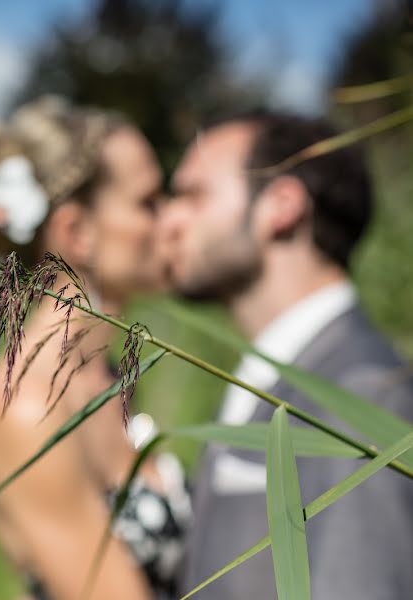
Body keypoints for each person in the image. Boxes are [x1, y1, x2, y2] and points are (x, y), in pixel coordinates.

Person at [0, 96, 191, 600]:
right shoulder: (27, 408)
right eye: (148, 201)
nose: (173, 219)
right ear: (77, 233)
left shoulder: (104, 374)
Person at [157, 111, 413, 599]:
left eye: (193, 195)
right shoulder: (269, 374)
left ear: (282, 206)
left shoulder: (361, 396)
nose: (168, 221)